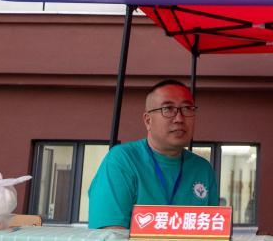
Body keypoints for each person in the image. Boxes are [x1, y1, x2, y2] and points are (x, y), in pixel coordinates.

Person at [88, 79, 217, 228]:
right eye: (168, 109)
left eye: (187, 108)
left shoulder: (202, 169)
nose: (179, 119)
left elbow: (212, 230)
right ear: (148, 121)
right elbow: (110, 232)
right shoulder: (122, 160)